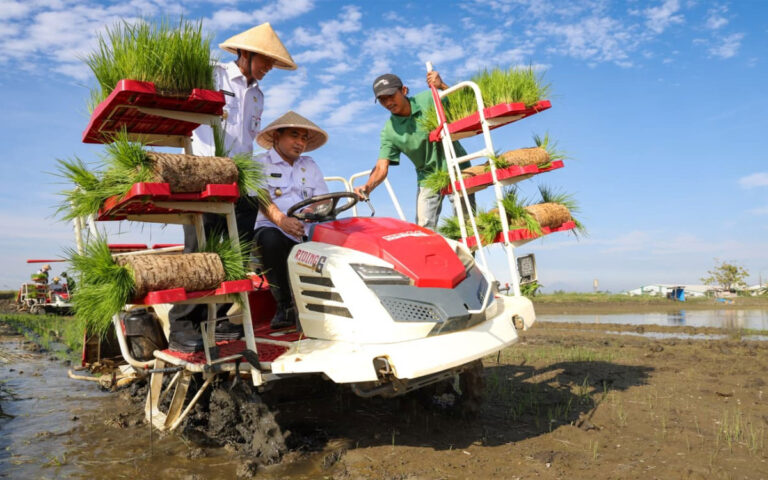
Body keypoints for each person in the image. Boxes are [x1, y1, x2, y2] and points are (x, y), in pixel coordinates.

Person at [169, 23, 298, 353]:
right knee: (199, 252)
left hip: (239, 179)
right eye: (265, 60)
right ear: (246, 53)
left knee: (237, 253)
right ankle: (183, 326)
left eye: (272, 62)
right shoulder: (214, 75)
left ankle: (219, 316)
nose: (269, 67)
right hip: (204, 174)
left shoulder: (257, 95)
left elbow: (245, 143)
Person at [354, 71, 473, 231]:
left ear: (403, 90)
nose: (388, 102)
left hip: (457, 167)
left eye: (390, 95)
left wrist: (441, 86)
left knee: (466, 225)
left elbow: (464, 104)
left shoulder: (429, 98)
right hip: (427, 178)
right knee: (423, 228)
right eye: (382, 99)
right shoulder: (390, 131)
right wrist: (367, 187)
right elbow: (382, 166)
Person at [252, 111, 329, 330]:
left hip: (307, 228)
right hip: (273, 228)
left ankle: (325, 306)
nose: (300, 143)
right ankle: (284, 307)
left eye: (304, 138)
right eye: (294, 135)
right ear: (277, 136)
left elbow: (323, 199)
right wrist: (282, 221)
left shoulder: (310, 165)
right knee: (270, 240)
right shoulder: (258, 163)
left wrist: (308, 214)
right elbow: (261, 197)